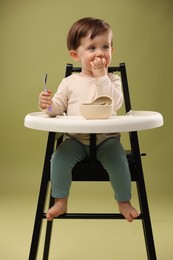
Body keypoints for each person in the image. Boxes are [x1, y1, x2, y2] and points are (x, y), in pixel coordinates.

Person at [39, 17, 140, 222]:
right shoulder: (69, 82)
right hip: (75, 140)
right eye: (92, 48)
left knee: (119, 162)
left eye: (105, 46)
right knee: (57, 159)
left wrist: (102, 76)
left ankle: (124, 201)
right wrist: (47, 104)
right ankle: (60, 201)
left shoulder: (112, 80)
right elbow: (57, 107)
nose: (100, 53)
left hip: (107, 140)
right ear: (76, 55)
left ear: (112, 49)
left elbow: (116, 103)